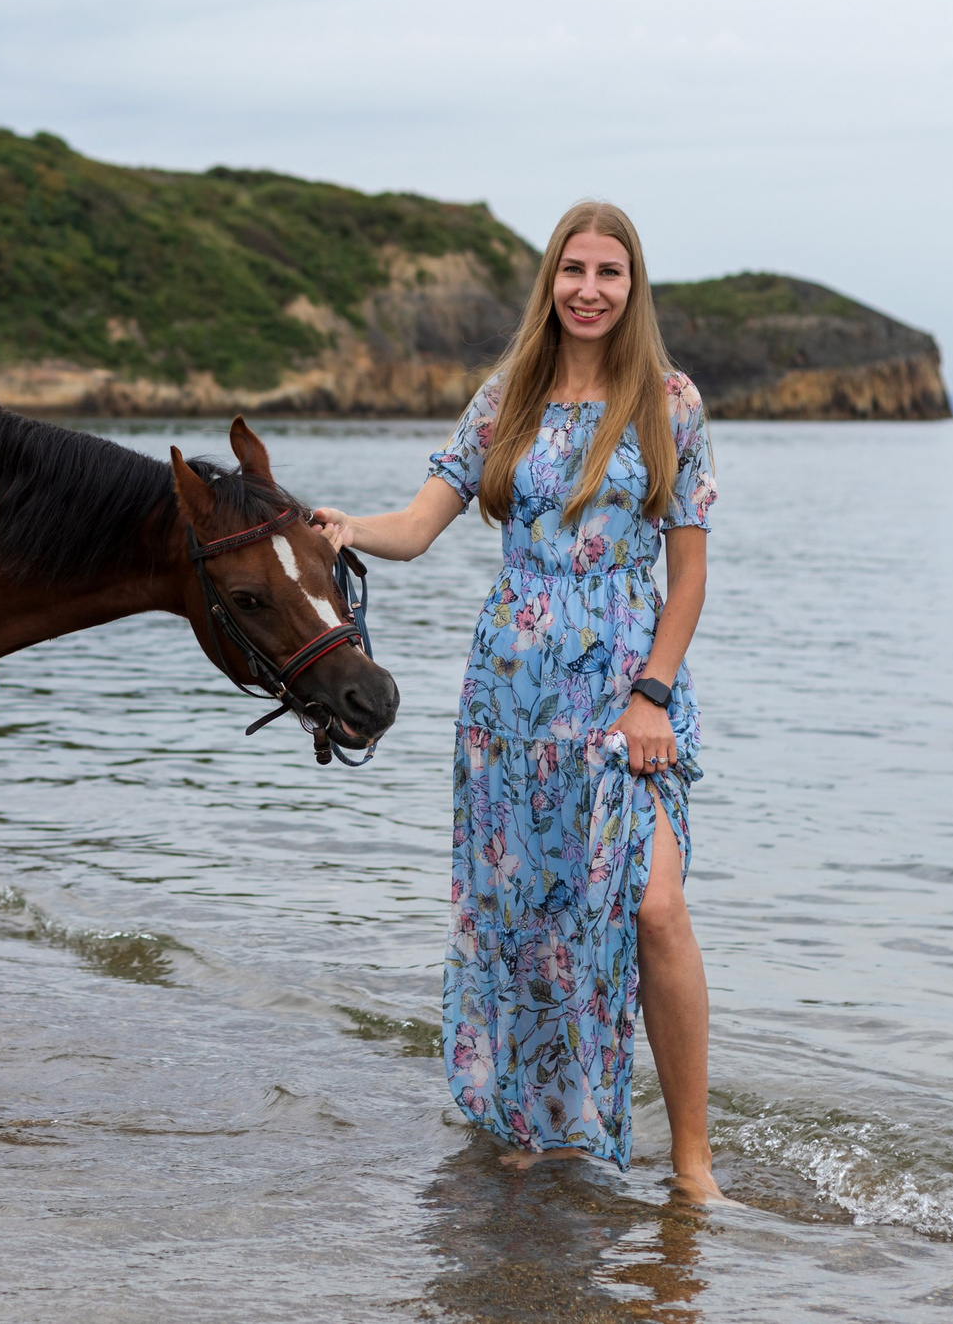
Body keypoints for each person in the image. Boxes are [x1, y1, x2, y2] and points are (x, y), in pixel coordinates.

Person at [311, 200, 721, 1192]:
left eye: (609, 272)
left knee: (655, 908)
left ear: (632, 287)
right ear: (550, 282)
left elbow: (690, 575)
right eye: (572, 269)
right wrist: (339, 526)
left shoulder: (671, 401)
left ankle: (694, 1162)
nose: (588, 288)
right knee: (528, 917)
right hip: (511, 698)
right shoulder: (505, 399)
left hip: (628, 699)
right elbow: (417, 524)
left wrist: (653, 694)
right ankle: (539, 1125)